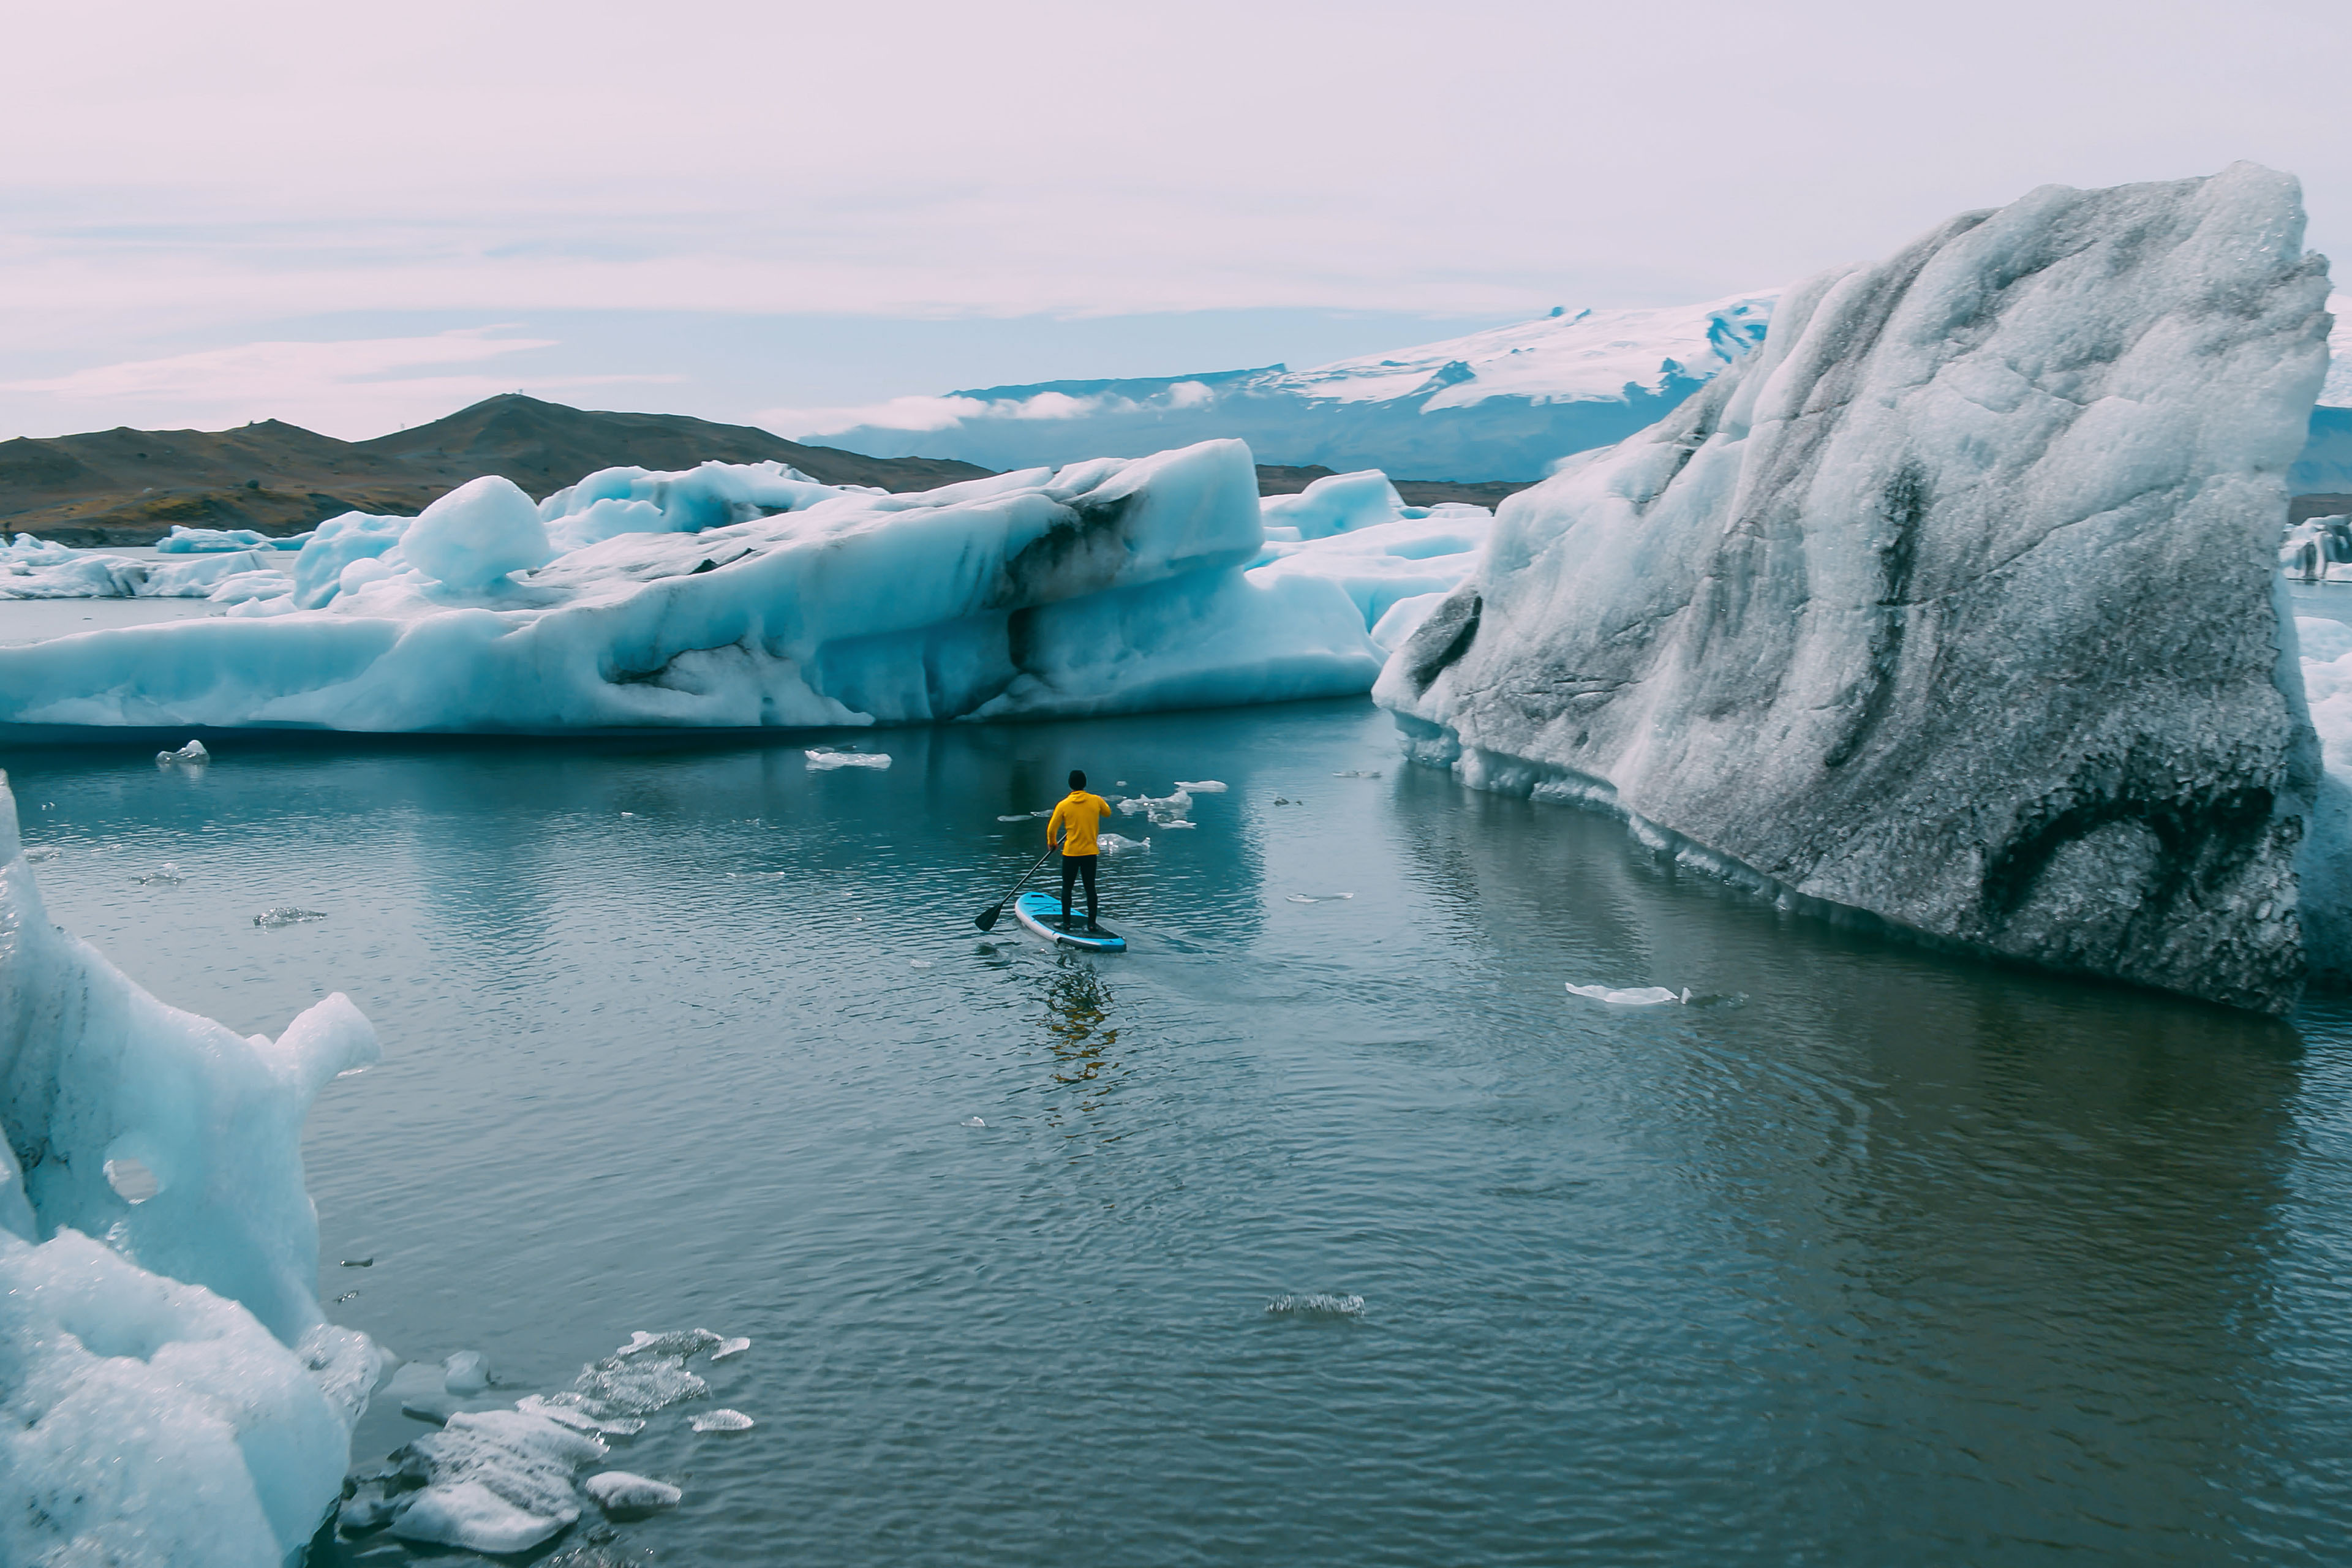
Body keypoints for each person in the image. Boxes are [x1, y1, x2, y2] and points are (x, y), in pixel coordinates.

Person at [1046, 769, 1113, 932]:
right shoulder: (1096, 801)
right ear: (1085, 784)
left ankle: (1066, 923)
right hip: (1090, 853)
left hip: (1071, 854)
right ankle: (1091, 924)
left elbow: (1051, 830)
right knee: (1090, 888)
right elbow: (1108, 813)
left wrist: (1052, 843)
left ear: (1070, 785)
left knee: (1067, 888)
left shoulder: (1063, 805)